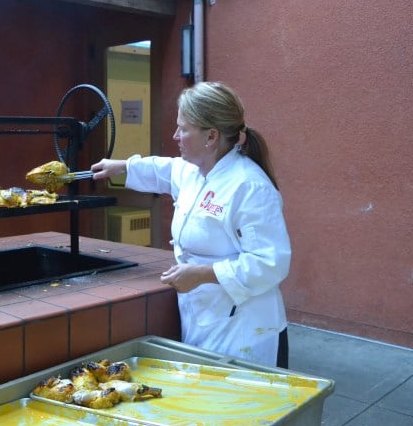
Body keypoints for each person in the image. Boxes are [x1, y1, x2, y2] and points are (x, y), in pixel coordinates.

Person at [91, 81, 291, 369]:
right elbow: (164, 168)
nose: (176, 136)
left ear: (211, 136)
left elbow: (270, 263)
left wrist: (202, 274)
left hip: (245, 328)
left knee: (236, 407)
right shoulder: (193, 171)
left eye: (183, 129)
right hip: (204, 316)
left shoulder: (249, 186)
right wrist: (123, 166)